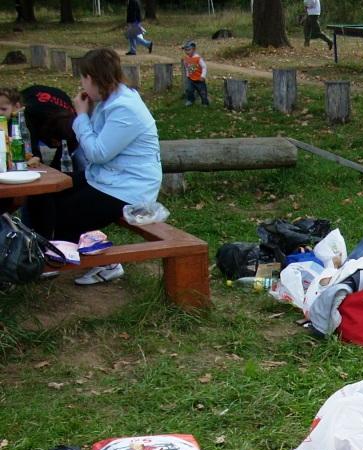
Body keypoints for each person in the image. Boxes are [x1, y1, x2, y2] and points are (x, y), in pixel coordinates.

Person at [25, 48, 161, 286]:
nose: (81, 84)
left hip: (128, 188)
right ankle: (42, 252)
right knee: (42, 193)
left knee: (65, 212)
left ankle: (102, 263)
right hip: (106, 178)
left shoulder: (124, 108)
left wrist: (81, 116)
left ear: (92, 78)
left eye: (82, 78)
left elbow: (97, 153)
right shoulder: (109, 100)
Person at [0, 85, 80, 170]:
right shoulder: (25, 112)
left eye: (3, 109)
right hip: (38, 100)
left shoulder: (72, 127)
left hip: (52, 110)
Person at [180, 41, 209, 107]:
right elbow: (186, 67)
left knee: (202, 92)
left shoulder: (198, 58)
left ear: (194, 49)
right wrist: (188, 75)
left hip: (199, 79)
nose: (187, 52)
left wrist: (203, 76)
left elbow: (204, 67)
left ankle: (205, 103)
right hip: (191, 78)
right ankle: (190, 100)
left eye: (189, 50)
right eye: (185, 50)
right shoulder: (186, 58)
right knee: (189, 90)